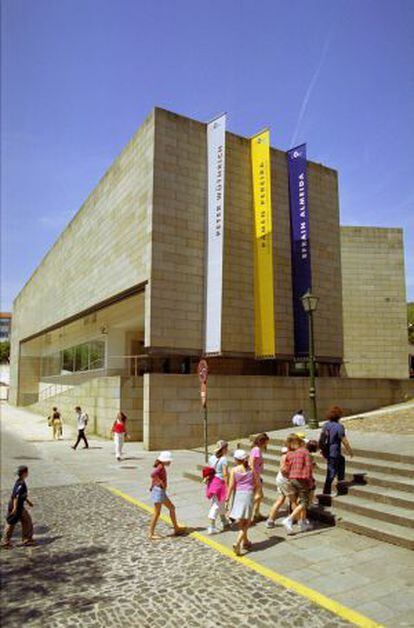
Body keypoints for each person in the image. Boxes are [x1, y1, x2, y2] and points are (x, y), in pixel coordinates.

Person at [226, 449, 259, 556]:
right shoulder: (251, 469)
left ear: (236, 459)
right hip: (248, 494)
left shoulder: (234, 470)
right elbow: (256, 483)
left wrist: (227, 498)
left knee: (241, 520)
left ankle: (245, 542)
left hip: (238, 495)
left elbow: (231, 486)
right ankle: (238, 542)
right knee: (248, 521)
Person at [281, 434, 314, 535]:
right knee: (304, 502)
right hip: (302, 479)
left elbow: (285, 468)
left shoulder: (290, 453)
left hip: (292, 479)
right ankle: (289, 519)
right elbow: (308, 467)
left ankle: (302, 523)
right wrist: (310, 481)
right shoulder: (305, 452)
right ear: (301, 443)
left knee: (297, 501)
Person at [148, 451, 186, 540]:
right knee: (158, 512)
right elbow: (153, 474)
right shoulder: (160, 467)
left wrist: (154, 485)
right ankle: (151, 534)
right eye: (169, 460)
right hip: (159, 492)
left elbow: (154, 477)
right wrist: (160, 482)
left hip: (158, 491)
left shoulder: (160, 466)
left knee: (170, 508)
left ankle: (176, 528)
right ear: (164, 460)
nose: (170, 462)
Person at [321, 406, 354, 496]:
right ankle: (326, 492)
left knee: (341, 461)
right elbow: (344, 440)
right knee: (331, 472)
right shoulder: (339, 426)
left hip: (327, 451)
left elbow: (322, 438)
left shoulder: (325, 425)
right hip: (334, 451)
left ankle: (340, 482)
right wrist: (350, 451)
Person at [1, 466, 35, 549]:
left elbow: (22, 495)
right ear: (24, 473)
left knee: (27, 520)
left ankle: (27, 539)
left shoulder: (21, 481)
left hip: (19, 507)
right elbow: (16, 496)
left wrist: (28, 501)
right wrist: (15, 508)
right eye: (27, 472)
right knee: (11, 523)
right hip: (16, 506)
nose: (28, 473)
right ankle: (5, 542)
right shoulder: (20, 483)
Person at [266, 444, 295, 528]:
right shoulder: (286, 457)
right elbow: (283, 469)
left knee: (280, 499)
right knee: (293, 501)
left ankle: (270, 520)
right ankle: (295, 519)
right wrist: (290, 474)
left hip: (280, 479)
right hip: (285, 480)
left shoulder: (284, 456)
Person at [205, 440, 230, 534]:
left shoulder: (211, 458)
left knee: (220, 502)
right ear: (223, 449)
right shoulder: (223, 459)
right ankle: (211, 526)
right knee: (216, 505)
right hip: (220, 483)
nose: (227, 450)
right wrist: (227, 486)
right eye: (226, 448)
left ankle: (224, 521)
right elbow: (225, 474)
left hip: (212, 482)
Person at [249, 432, 270, 523]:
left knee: (259, 495)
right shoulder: (257, 450)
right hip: (255, 475)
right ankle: (249, 512)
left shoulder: (255, 449)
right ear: (262, 441)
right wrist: (256, 477)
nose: (267, 444)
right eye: (266, 442)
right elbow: (252, 463)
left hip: (256, 475)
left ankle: (256, 513)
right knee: (259, 495)